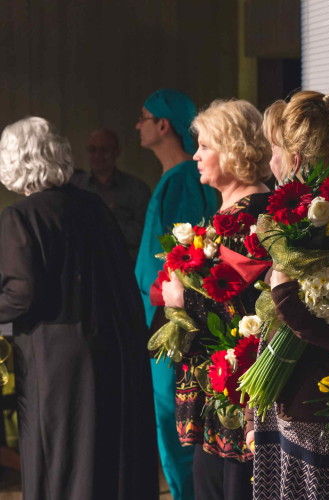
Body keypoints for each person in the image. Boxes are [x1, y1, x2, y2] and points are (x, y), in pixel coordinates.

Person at [0, 117, 158, 500]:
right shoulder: (93, 205)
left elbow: (21, 292)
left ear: (15, 160)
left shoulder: (21, 216)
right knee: (102, 458)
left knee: (60, 461)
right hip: (108, 348)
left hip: (55, 361)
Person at [248, 91, 329, 499]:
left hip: (324, 418)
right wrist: (255, 411)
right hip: (289, 408)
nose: (269, 161)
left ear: (294, 159)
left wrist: (285, 293)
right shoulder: (301, 224)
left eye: (274, 150)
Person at [160, 98, 271, 499]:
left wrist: (181, 301)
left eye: (205, 146)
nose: (195, 156)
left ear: (233, 150)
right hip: (223, 400)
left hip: (238, 403)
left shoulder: (250, 220)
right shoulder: (235, 215)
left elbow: (246, 314)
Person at [135, 89, 218, 500]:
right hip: (160, 318)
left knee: (176, 423)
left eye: (144, 117)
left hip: (172, 323)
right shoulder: (173, 178)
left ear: (163, 125)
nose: (138, 125)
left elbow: (185, 259)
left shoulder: (183, 179)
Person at [71, 128, 151, 259]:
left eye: (104, 150)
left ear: (117, 152)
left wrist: (106, 222)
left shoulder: (137, 189)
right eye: (92, 150)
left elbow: (145, 232)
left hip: (123, 262)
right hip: (84, 262)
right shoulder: (75, 186)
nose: (98, 155)